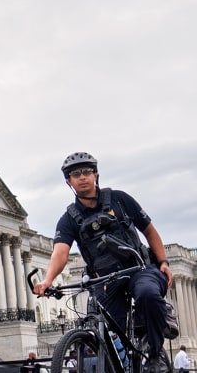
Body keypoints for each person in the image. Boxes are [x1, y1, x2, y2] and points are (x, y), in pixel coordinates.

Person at [32, 152, 175, 373]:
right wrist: (47, 280)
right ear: (68, 181)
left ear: (96, 174)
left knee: (147, 293)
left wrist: (163, 262)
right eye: (75, 174)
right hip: (105, 280)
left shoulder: (120, 199)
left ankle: (155, 354)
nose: (82, 177)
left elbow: (149, 231)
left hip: (138, 268)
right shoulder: (69, 219)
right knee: (108, 334)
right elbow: (60, 253)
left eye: (87, 171)